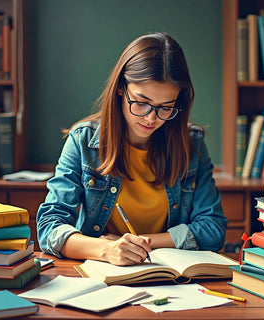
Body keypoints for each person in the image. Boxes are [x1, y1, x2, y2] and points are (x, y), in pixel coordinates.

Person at [37, 32, 227, 266]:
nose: (151, 118)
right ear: (120, 88)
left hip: (169, 276)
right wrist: (107, 249)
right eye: (141, 102)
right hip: (105, 272)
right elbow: (49, 227)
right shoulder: (83, 141)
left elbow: (213, 229)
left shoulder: (192, 144)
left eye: (165, 108)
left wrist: (137, 243)